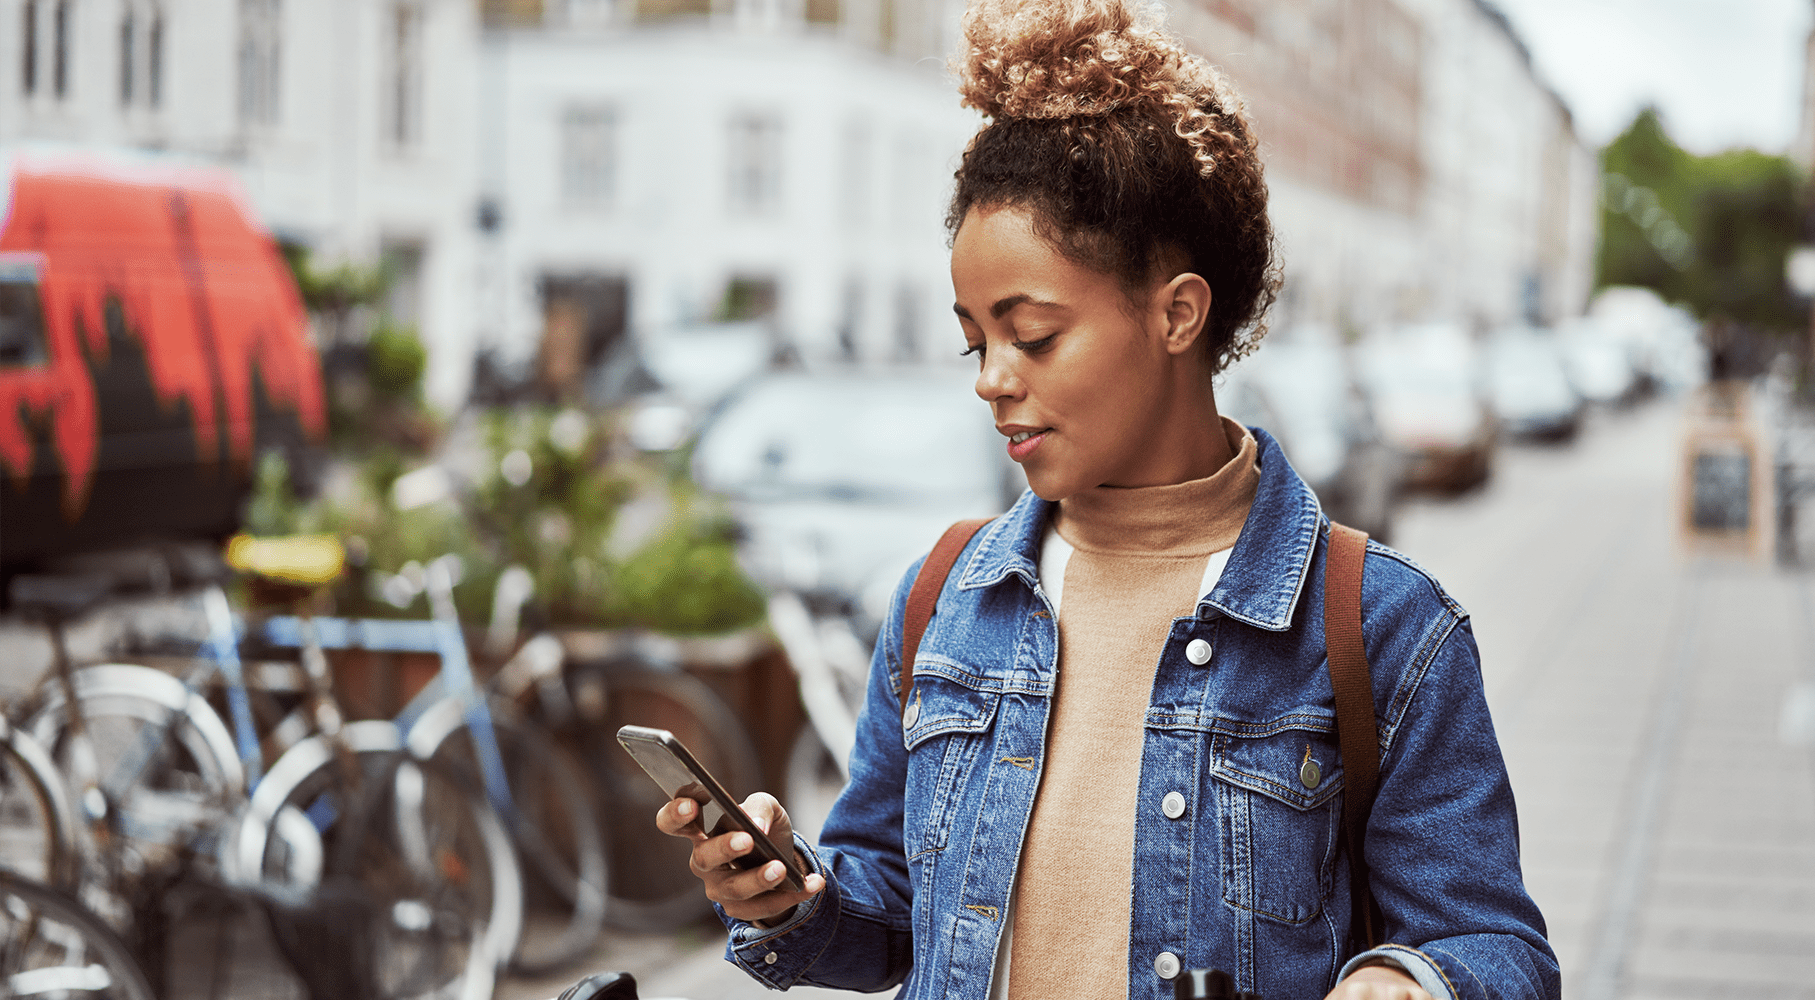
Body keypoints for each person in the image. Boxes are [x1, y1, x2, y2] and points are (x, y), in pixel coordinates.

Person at [658, 2, 1559, 997]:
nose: (991, 378)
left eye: (1032, 335)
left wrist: (1407, 981)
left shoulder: (1380, 627)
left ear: (1176, 312)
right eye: (975, 339)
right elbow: (892, 911)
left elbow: (1495, 948)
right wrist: (792, 898)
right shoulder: (944, 599)